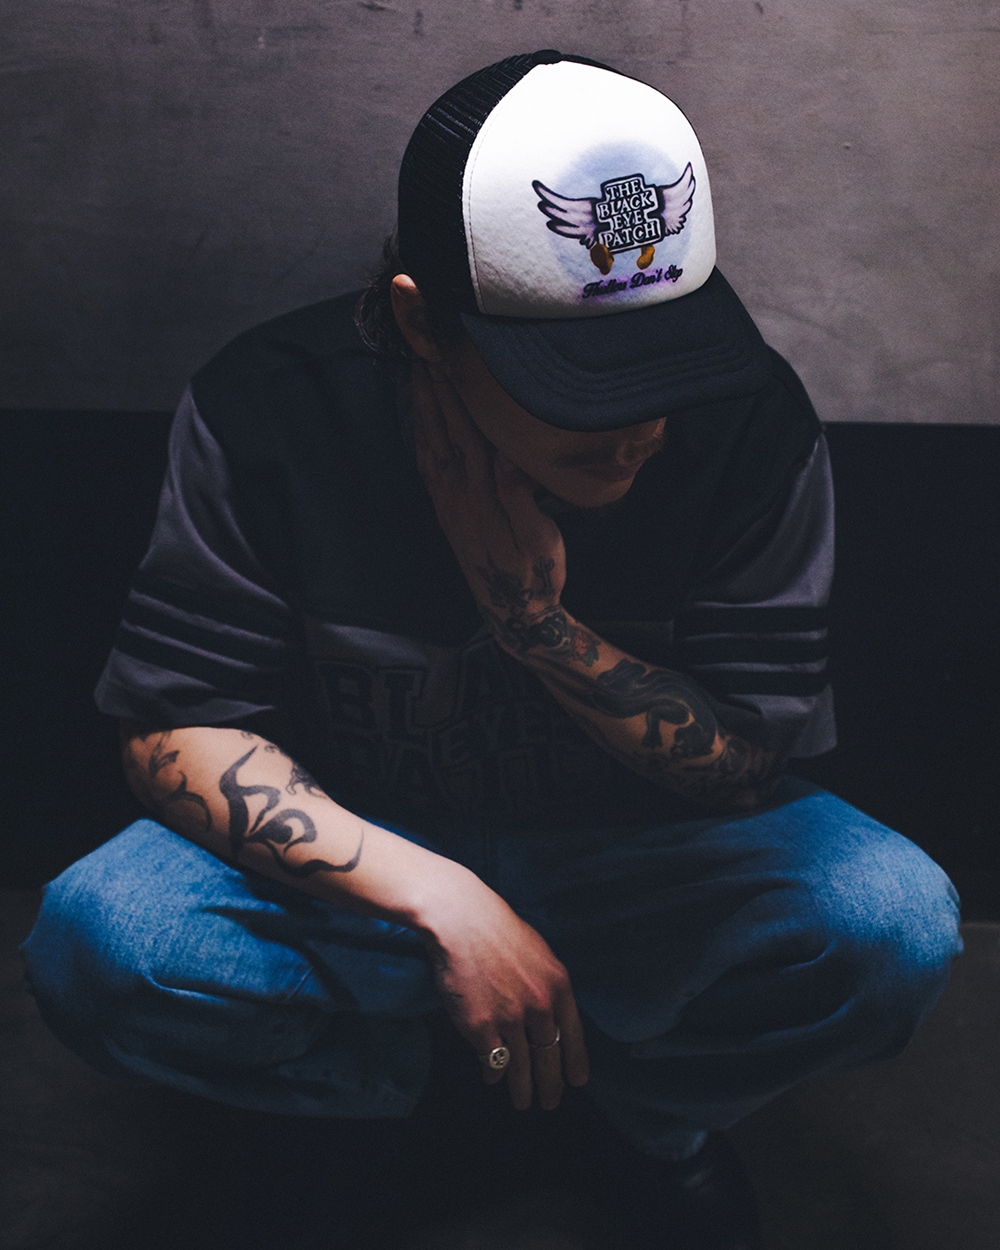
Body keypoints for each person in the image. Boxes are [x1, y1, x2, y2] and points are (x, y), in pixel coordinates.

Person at [23, 50, 961, 1250]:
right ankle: (385, 1110)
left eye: (666, 359)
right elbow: (169, 730)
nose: (640, 424)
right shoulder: (271, 404)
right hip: (366, 852)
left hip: (635, 858)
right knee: (102, 943)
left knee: (891, 921)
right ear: (423, 321)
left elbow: (743, 766)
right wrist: (438, 897)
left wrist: (539, 628)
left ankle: (641, 1119)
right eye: (579, 380)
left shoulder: (749, 419)